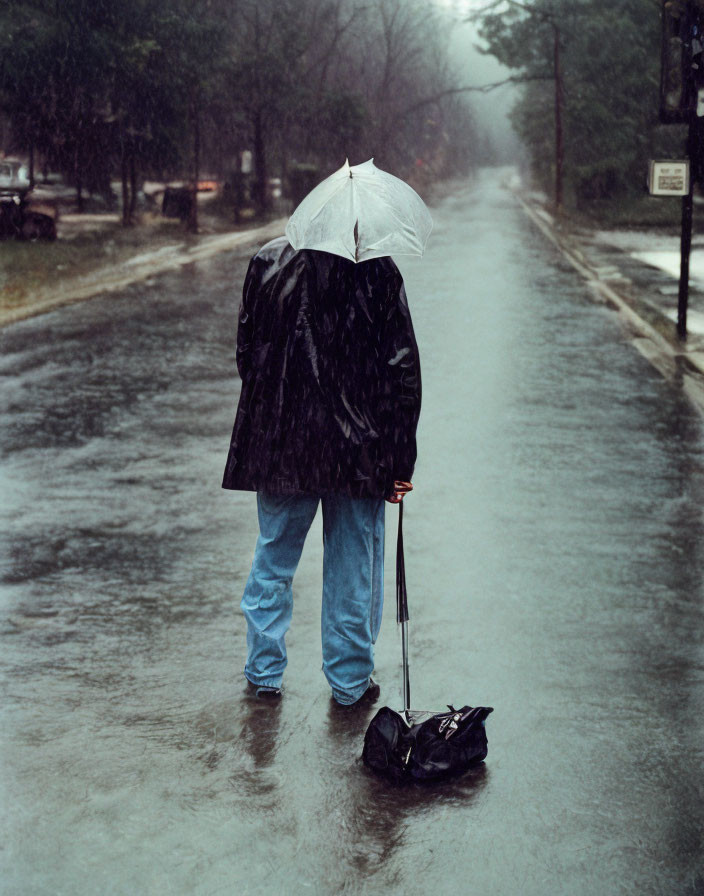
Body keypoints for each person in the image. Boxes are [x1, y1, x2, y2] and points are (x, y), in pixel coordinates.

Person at [222, 234, 421, 706]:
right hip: (356, 451)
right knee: (352, 566)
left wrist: (278, 408)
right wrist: (399, 459)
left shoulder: (268, 261)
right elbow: (401, 370)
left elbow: (247, 355)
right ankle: (350, 683)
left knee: (273, 558)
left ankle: (264, 671)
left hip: (280, 444)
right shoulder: (377, 271)